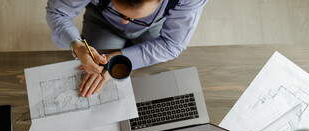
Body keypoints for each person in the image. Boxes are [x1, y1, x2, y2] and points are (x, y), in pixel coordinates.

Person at [46, 0, 207, 97]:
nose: (125, 22)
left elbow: (171, 44)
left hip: (156, 28)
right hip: (102, 21)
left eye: (131, 16)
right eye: (121, 11)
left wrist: (121, 57)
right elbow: (57, 12)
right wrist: (77, 46)